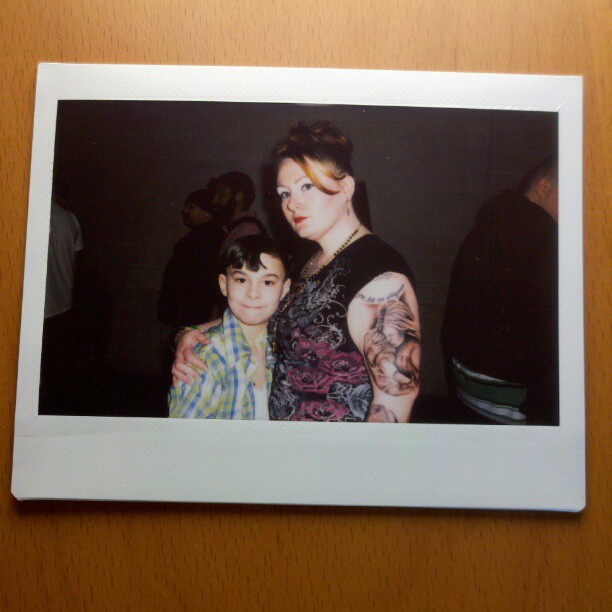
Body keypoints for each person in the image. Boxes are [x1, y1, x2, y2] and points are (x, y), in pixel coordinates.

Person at [173, 122, 421, 422]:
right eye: (284, 193)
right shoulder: (313, 258)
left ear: (346, 188)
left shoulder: (379, 277)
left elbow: (394, 400)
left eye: (306, 186)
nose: (292, 204)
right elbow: (274, 317)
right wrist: (194, 333)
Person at [441, 157, 559, 425]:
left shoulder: (494, 223)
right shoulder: (539, 234)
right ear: (542, 188)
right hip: (510, 398)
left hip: (469, 385)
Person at [168, 235, 291, 419]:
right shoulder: (207, 358)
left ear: (284, 289)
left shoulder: (284, 347)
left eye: (267, 282)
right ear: (224, 285)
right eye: (241, 280)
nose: (253, 293)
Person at [39, 179, 84, 413]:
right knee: (55, 370)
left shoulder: (35, 214)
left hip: (42, 310)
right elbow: (75, 264)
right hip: (63, 305)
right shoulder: (70, 219)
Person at [158, 188, 226, 332]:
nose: (185, 210)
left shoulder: (203, 238)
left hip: (190, 313)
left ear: (207, 212)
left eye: (191, 206)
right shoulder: (206, 235)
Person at [210, 170, 267, 252]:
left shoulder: (246, 229)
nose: (214, 201)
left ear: (239, 196)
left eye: (221, 194)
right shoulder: (237, 228)